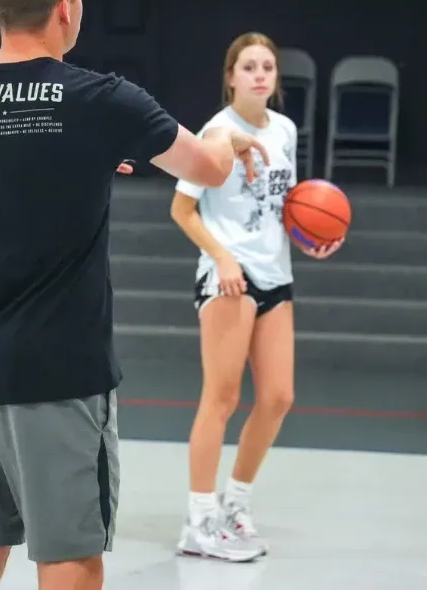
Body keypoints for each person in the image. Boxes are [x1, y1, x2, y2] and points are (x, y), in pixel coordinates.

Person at [0, 0, 270, 590]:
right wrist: (228, 130)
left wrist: (77, 163)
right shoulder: (99, 99)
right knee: (71, 557)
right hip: (59, 371)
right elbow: (210, 168)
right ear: (65, 8)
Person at [171, 32, 343, 562]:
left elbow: (281, 202)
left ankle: (235, 504)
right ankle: (198, 521)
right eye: (249, 66)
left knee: (278, 398)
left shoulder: (286, 130)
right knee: (220, 399)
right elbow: (182, 210)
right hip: (229, 277)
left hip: (276, 272)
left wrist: (314, 234)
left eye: (268, 66)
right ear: (231, 77)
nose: (261, 74)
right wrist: (223, 259)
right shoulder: (216, 132)